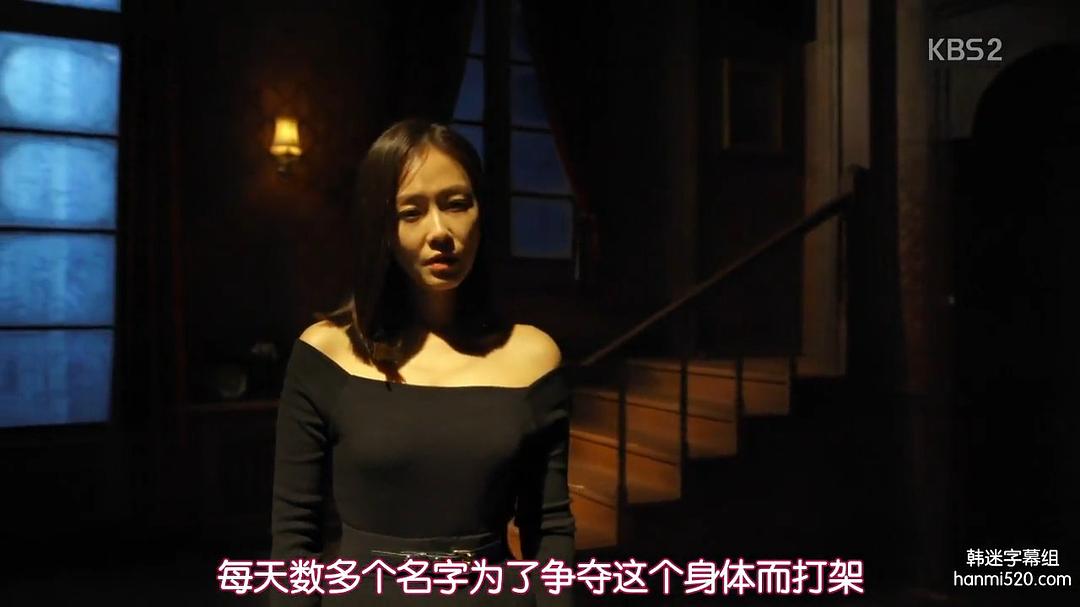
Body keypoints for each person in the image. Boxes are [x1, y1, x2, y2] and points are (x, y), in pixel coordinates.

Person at [270, 118, 576, 606]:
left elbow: (550, 530)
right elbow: (294, 535)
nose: (440, 232)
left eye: (456, 204)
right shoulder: (327, 352)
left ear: (481, 213)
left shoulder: (533, 357)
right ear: (383, 229)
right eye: (411, 212)